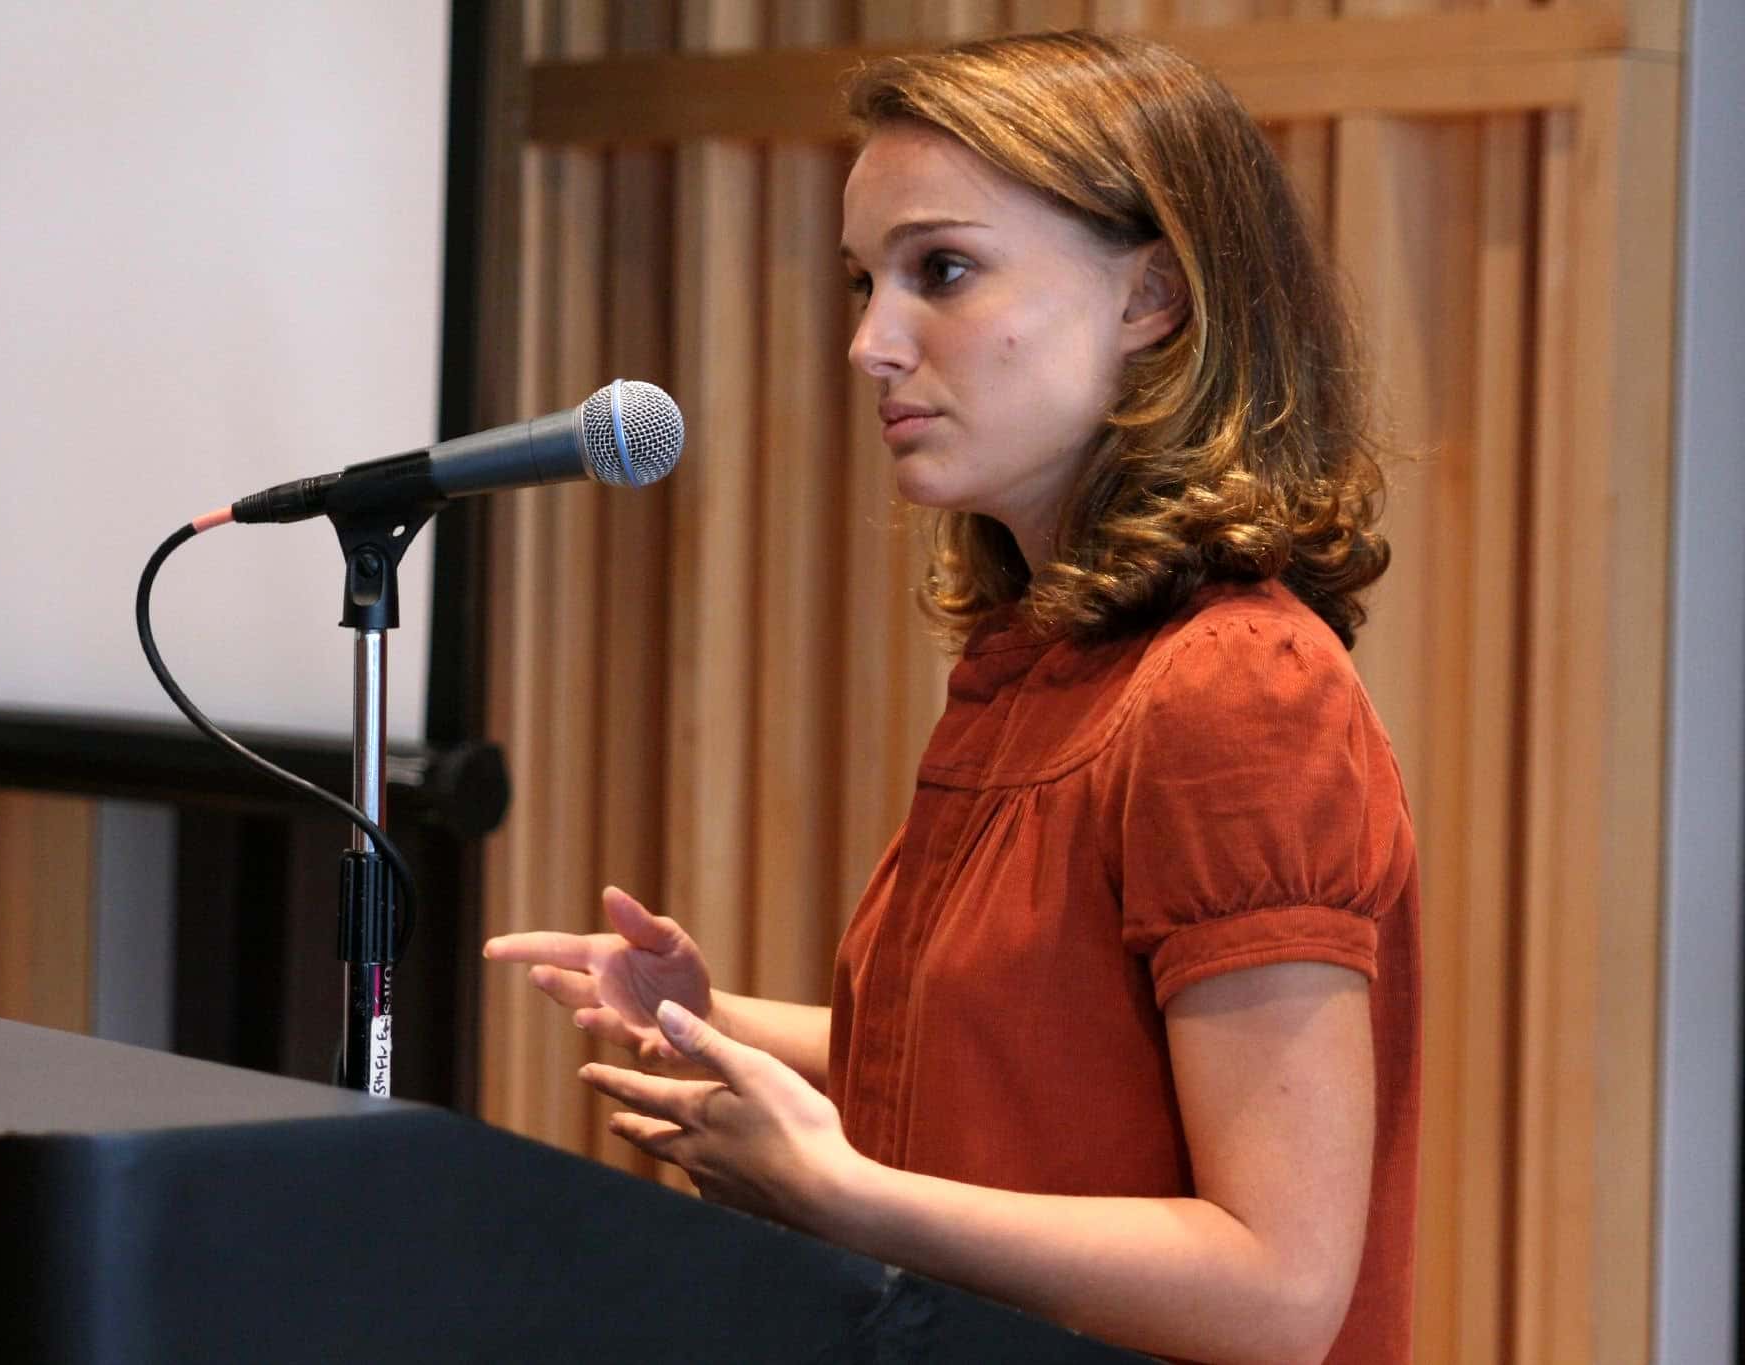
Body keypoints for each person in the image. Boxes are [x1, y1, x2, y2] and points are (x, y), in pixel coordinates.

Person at [484, 29, 1417, 1365]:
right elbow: (1033, 1067)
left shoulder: (1237, 690)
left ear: (1151, 297)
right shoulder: (1048, 662)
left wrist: (839, 1191)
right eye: (866, 281)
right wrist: (713, 1018)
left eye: (944, 271)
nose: (870, 342)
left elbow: (1273, 1287)